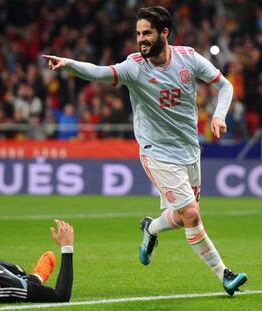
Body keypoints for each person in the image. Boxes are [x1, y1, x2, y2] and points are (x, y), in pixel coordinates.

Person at [43, 6, 247, 296]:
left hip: (190, 151)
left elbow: (224, 86)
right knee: (191, 214)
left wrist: (219, 115)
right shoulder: (134, 66)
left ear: (164, 33)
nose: (141, 39)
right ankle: (225, 275)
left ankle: (151, 228)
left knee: (180, 218)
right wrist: (68, 63)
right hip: (157, 152)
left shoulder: (188, 59)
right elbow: (101, 73)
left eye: (147, 33)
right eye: (138, 33)